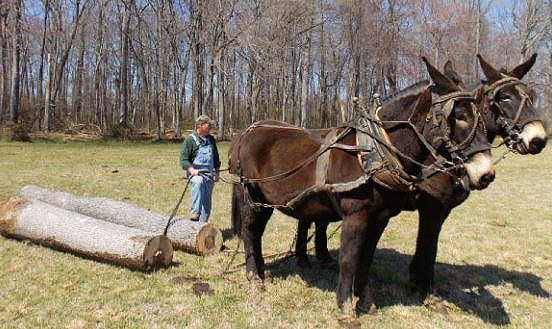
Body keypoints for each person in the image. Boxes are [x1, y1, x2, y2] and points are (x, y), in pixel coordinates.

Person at [180, 115, 220, 222]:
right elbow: (183, 159)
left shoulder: (211, 140)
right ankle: (194, 213)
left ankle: (202, 226)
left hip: (209, 175)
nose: (210, 127)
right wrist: (191, 170)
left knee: (206, 204)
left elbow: (216, 157)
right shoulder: (190, 140)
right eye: (209, 125)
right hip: (195, 174)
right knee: (198, 182)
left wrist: (217, 172)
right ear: (200, 126)